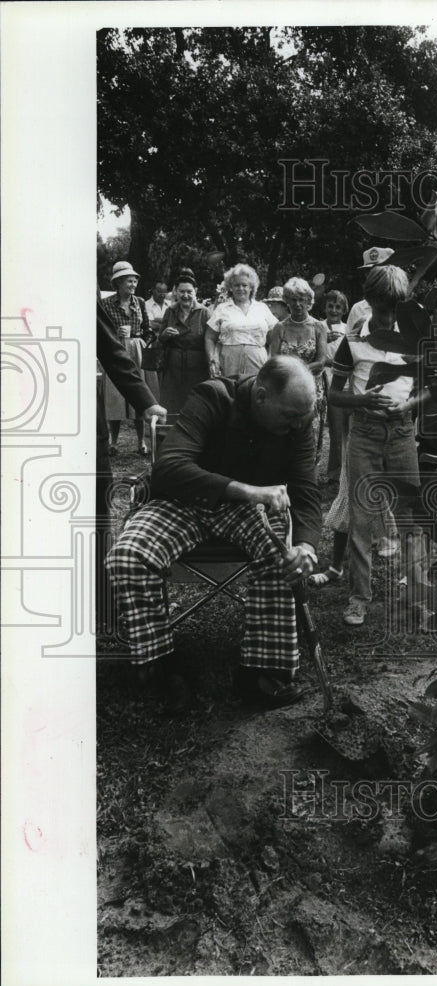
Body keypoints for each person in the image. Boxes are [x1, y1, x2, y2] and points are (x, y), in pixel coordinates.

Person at [106, 355, 321, 711]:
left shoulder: (298, 420)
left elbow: (306, 490)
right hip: (182, 500)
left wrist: (306, 547)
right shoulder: (213, 397)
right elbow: (169, 468)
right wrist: (247, 490)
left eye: (304, 417)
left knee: (283, 558)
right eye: (290, 416)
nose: (299, 425)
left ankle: (260, 673)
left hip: (245, 511)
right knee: (128, 556)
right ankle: (162, 666)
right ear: (262, 396)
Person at [328, 264, 428, 627]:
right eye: (382, 309)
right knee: (361, 517)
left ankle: (419, 597)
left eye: (394, 309)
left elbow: (429, 387)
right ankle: (359, 598)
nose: (388, 317)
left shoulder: (414, 337)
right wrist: (362, 401)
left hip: (401, 434)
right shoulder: (353, 340)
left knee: (411, 517)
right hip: (365, 433)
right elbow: (333, 394)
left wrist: (409, 406)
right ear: (370, 301)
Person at [96, 298, 167, 633]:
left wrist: (146, 402)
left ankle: (104, 605)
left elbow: (110, 349)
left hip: (77, 415)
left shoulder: (77, 288)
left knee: (95, 508)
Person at [102, 260, 159, 455]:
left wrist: (142, 339)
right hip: (115, 349)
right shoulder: (106, 303)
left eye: (135, 281)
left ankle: (141, 442)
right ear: (118, 282)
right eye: (129, 281)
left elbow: (148, 330)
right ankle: (114, 442)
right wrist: (115, 333)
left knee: (139, 393)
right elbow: (102, 330)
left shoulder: (140, 302)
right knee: (115, 396)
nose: (133, 284)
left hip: (136, 351)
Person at [267, 277, 328, 454]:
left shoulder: (318, 327)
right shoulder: (280, 328)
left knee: (310, 434)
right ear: (287, 301)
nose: (298, 304)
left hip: (311, 388)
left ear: (309, 300)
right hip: (285, 387)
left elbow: (321, 362)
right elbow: (274, 360)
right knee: (285, 434)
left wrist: (298, 371)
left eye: (302, 299)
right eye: (293, 299)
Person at [205, 263, 278, 378]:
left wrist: (270, 359)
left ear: (251, 287)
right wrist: (212, 359)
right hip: (228, 362)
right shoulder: (222, 308)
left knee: (256, 388)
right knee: (230, 388)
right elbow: (209, 337)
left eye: (244, 285)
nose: (240, 289)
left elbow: (275, 338)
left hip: (258, 361)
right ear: (231, 287)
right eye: (236, 285)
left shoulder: (262, 308)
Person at [157, 268, 211, 414]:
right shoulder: (170, 311)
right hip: (173, 369)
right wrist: (165, 335)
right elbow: (160, 340)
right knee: (171, 405)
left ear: (196, 292)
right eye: (181, 291)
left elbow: (210, 340)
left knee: (195, 406)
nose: (185, 295)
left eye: (189, 292)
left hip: (197, 369)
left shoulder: (204, 312)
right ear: (175, 292)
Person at [320, 289, 349, 485]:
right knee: (336, 432)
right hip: (327, 383)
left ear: (344, 310)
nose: (334, 310)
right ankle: (334, 473)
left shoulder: (348, 329)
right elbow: (317, 356)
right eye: (330, 306)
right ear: (325, 307)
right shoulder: (319, 327)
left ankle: (349, 471)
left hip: (347, 383)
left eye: (338, 307)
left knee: (350, 431)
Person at [346, 247, 394, 332]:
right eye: (368, 272)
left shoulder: (405, 308)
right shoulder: (358, 309)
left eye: (378, 271)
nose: (373, 276)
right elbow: (350, 338)